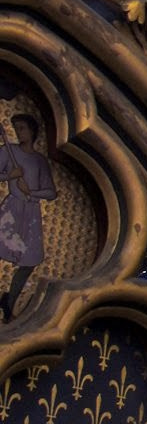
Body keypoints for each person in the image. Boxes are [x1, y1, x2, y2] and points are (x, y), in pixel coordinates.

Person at [0, 113, 57, 321]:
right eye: (16, 128)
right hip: (12, 209)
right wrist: (9, 176)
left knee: (30, 260)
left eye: (22, 128)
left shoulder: (39, 160)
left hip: (31, 213)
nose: (18, 132)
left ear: (32, 131)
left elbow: (51, 192)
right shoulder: (9, 151)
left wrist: (31, 193)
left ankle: (10, 300)